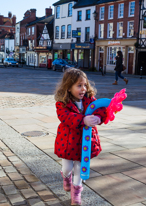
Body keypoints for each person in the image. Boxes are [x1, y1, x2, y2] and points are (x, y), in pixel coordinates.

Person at [54, 68, 108, 205]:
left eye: (85, 85)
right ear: (69, 87)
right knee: (67, 167)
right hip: (68, 142)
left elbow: (101, 110)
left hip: (85, 142)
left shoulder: (90, 99)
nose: (83, 88)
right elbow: (65, 116)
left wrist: (98, 118)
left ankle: (76, 194)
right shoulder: (62, 103)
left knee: (80, 167)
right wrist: (83, 120)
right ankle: (66, 177)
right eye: (79, 85)